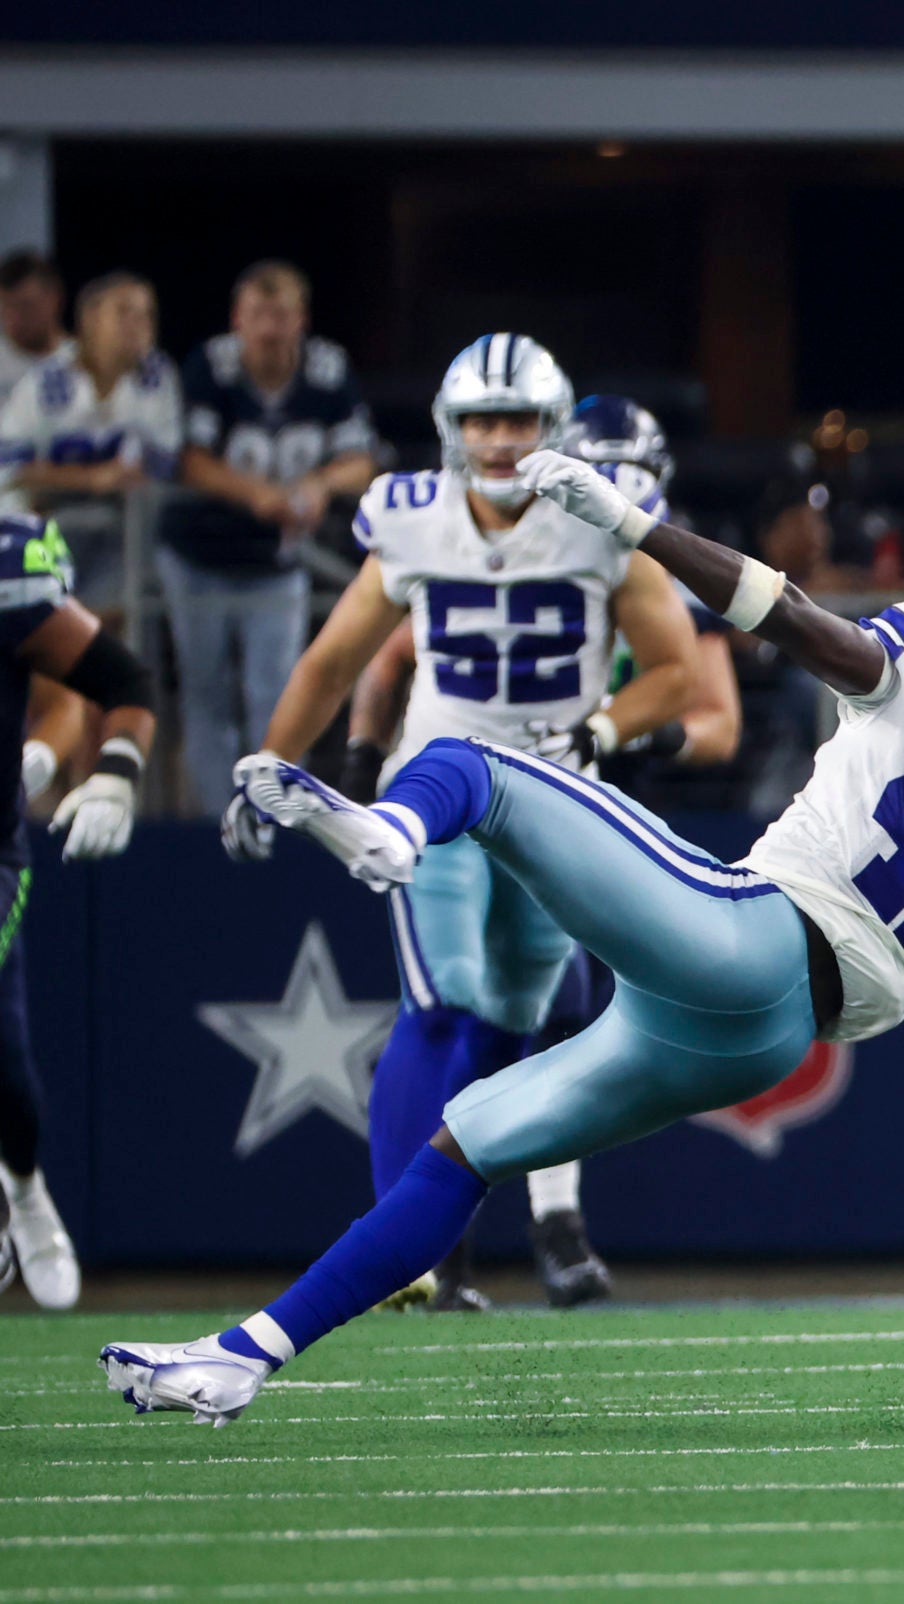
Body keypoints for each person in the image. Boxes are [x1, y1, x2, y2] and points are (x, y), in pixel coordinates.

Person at [100, 448, 904, 1427]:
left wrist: (637, 524)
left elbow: (790, 615)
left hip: (745, 928)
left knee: (470, 756)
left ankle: (395, 828)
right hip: (772, 1034)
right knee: (468, 1143)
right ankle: (241, 1356)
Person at [216, 337, 699, 1314]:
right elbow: (332, 661)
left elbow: (677, 668)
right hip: (434, 790)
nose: (498, 438)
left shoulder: (599, 520)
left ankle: (442, 1244)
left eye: (517, 418)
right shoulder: (412, 518)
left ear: (553, 426)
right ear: (449, 426)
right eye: (481, 418)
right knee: (444, 1001)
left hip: (552, 800)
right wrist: (271, 765)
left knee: (510, 1023)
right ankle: (401, 1245)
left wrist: (601, 725)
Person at [339, 393, 739, 1308]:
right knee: (488, 1007)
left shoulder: (651, 563)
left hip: (605, 804)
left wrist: (614, 734)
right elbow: (393, 648)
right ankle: (455, 1240)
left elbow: (716, 719)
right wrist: (367, 762)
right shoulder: (515, 556)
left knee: (566, 1019)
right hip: (490, 797)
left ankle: (553, 1226)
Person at [0, 513, 159, 1308]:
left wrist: (112, 773)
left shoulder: (10, 570)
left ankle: (23, 1186)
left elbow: (121, 682)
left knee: (12, 1082)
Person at [160, 262, 379, 814]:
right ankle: (219, 820)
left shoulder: (327, 371)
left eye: (281, 315)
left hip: (278, 561)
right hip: (200, 556)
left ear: (301, 319)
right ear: (237, 318)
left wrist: (319, 483)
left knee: (280, 694)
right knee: (208, 697)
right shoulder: (213, 366)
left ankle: (276, 815)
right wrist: (254, 493)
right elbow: (187, 460)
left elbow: (362, 460)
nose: (270, 328)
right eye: (258, 314)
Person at [0, 272, 180, 610]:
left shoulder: (157, 378)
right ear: (90, 319)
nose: (138, 324)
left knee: (111, 628)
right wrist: (93, 479)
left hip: (118, 533)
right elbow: (11, 466)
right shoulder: (45, 382)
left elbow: (164, 463)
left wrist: (110, 480)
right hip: (41, 531)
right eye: (124, 312)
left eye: (146, 314)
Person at [0, 250, 69, 400]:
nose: (14, 319)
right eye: (6, 307)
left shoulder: (86, 363)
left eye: (25, 307)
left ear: (54, 298)